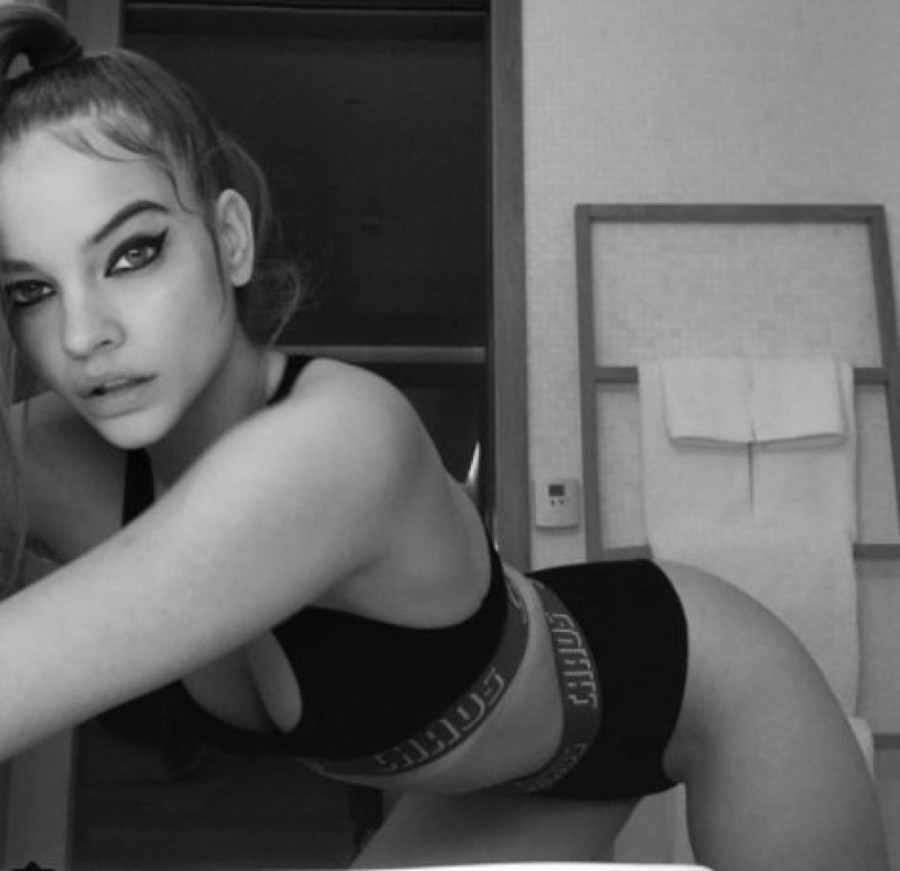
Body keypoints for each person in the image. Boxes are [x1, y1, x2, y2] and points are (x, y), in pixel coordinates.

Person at [0, 6, 888, 870]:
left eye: (133, 253)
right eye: (30, 290)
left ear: (230, 240)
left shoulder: (337, 443)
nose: (82, 335)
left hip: (709, 686)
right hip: (510, 779)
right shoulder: (47, 454)